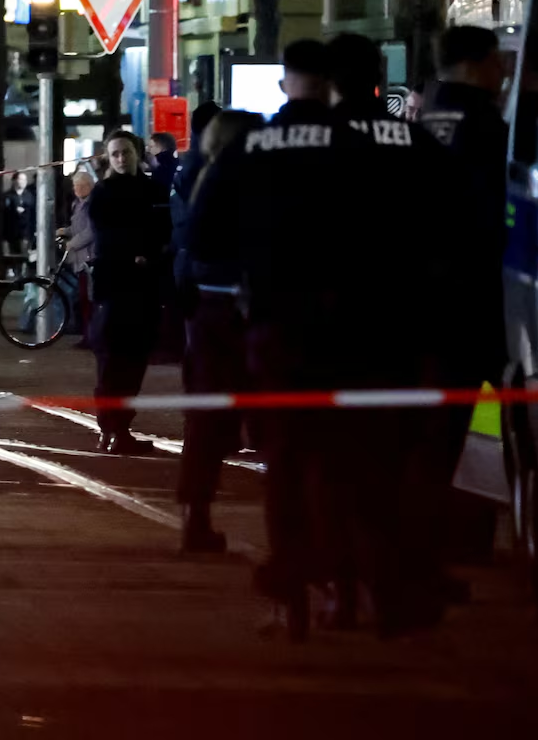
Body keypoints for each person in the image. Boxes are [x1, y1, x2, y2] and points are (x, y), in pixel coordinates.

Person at [187, 39, 343, 637]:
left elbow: (201, 236)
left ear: (284, 84)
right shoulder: (365, 143)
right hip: (354, 328)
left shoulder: (253, 146)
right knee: (346, 459)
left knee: (286, 457)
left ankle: (291, 592)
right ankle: (344, 584)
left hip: (276, 323)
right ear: (331, 84)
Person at [325, 33, 458, 634]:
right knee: (396, 463)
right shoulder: (417, 140)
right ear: (380, 77)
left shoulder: (307, 141)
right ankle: (394, 586)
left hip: (325, 329)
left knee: (331, 469)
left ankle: (344, 589)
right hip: (404, 329)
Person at [416, 25, 510, 566]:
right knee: (493, 421)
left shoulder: (421, 122)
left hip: (424, 303)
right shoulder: (487, 128)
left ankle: (437, 540)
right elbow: (495, 217)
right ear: (480, 63)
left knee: (437, 428)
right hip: (481, 299)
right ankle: (460, 538)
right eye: (499, 62)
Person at [175, 108, 262, 553]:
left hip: (206, 310)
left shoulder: (199, 176)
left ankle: (196, 514)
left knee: (205, 421)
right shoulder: (247, 179)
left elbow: (189, 247)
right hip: (243, 308)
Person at [81, 131, 172, 454]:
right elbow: (105, 236)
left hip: (143, 287)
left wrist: (150, 255)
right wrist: (136, 253)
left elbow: (164, 229)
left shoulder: (153, 189)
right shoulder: (104, 192)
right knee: (112, 359)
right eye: (116, 154)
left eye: (126, 152)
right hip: (115, 287)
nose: (121, 158)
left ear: (136, 153)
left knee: (134, 359)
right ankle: (111, 427)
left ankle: (119, 428)